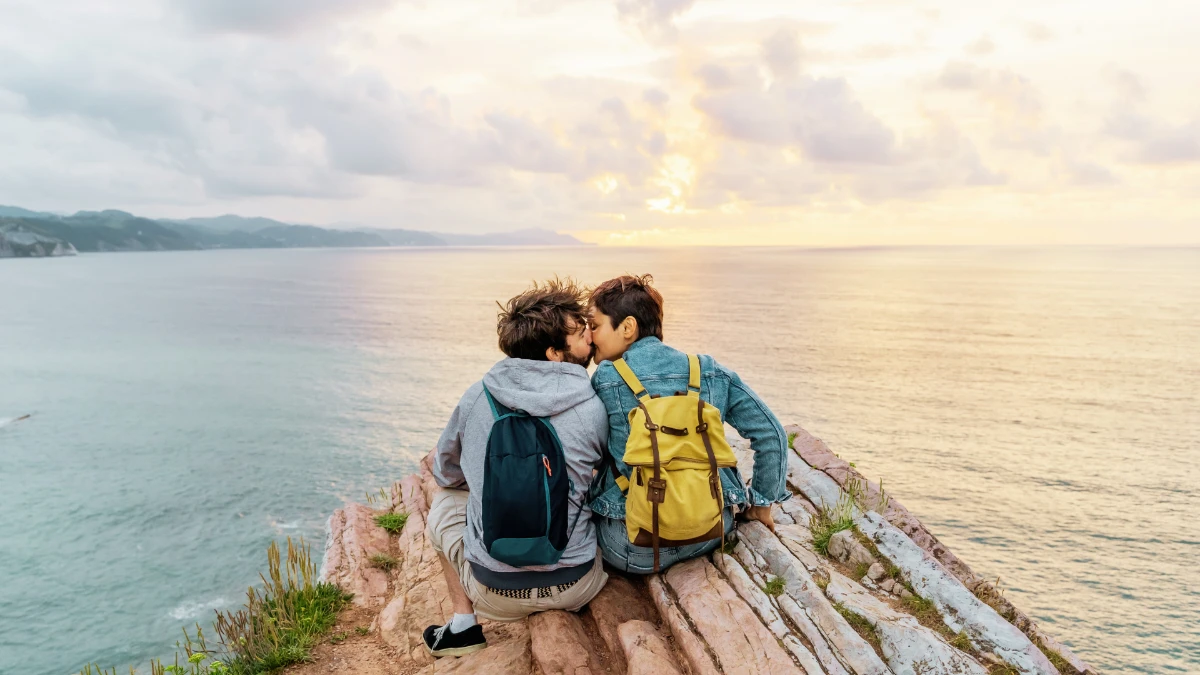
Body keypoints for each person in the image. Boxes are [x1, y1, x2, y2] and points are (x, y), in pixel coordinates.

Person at [423, 279, 609, 657]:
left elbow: (445, 473)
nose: (590, 336)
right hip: (577, 585)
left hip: (494, 594)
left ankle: (463, 626)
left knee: (444, 500)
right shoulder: (595, 408)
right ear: (556, 353)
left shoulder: (477, 396)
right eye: (579, 332)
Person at [586, 274, 790, 574]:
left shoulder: (606, 379)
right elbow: (772, 435)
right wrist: (761, 505)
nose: (590, 337)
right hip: (711, 531)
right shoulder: (708, 371)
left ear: (628, 327)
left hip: (631, 547)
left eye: (595, 325)